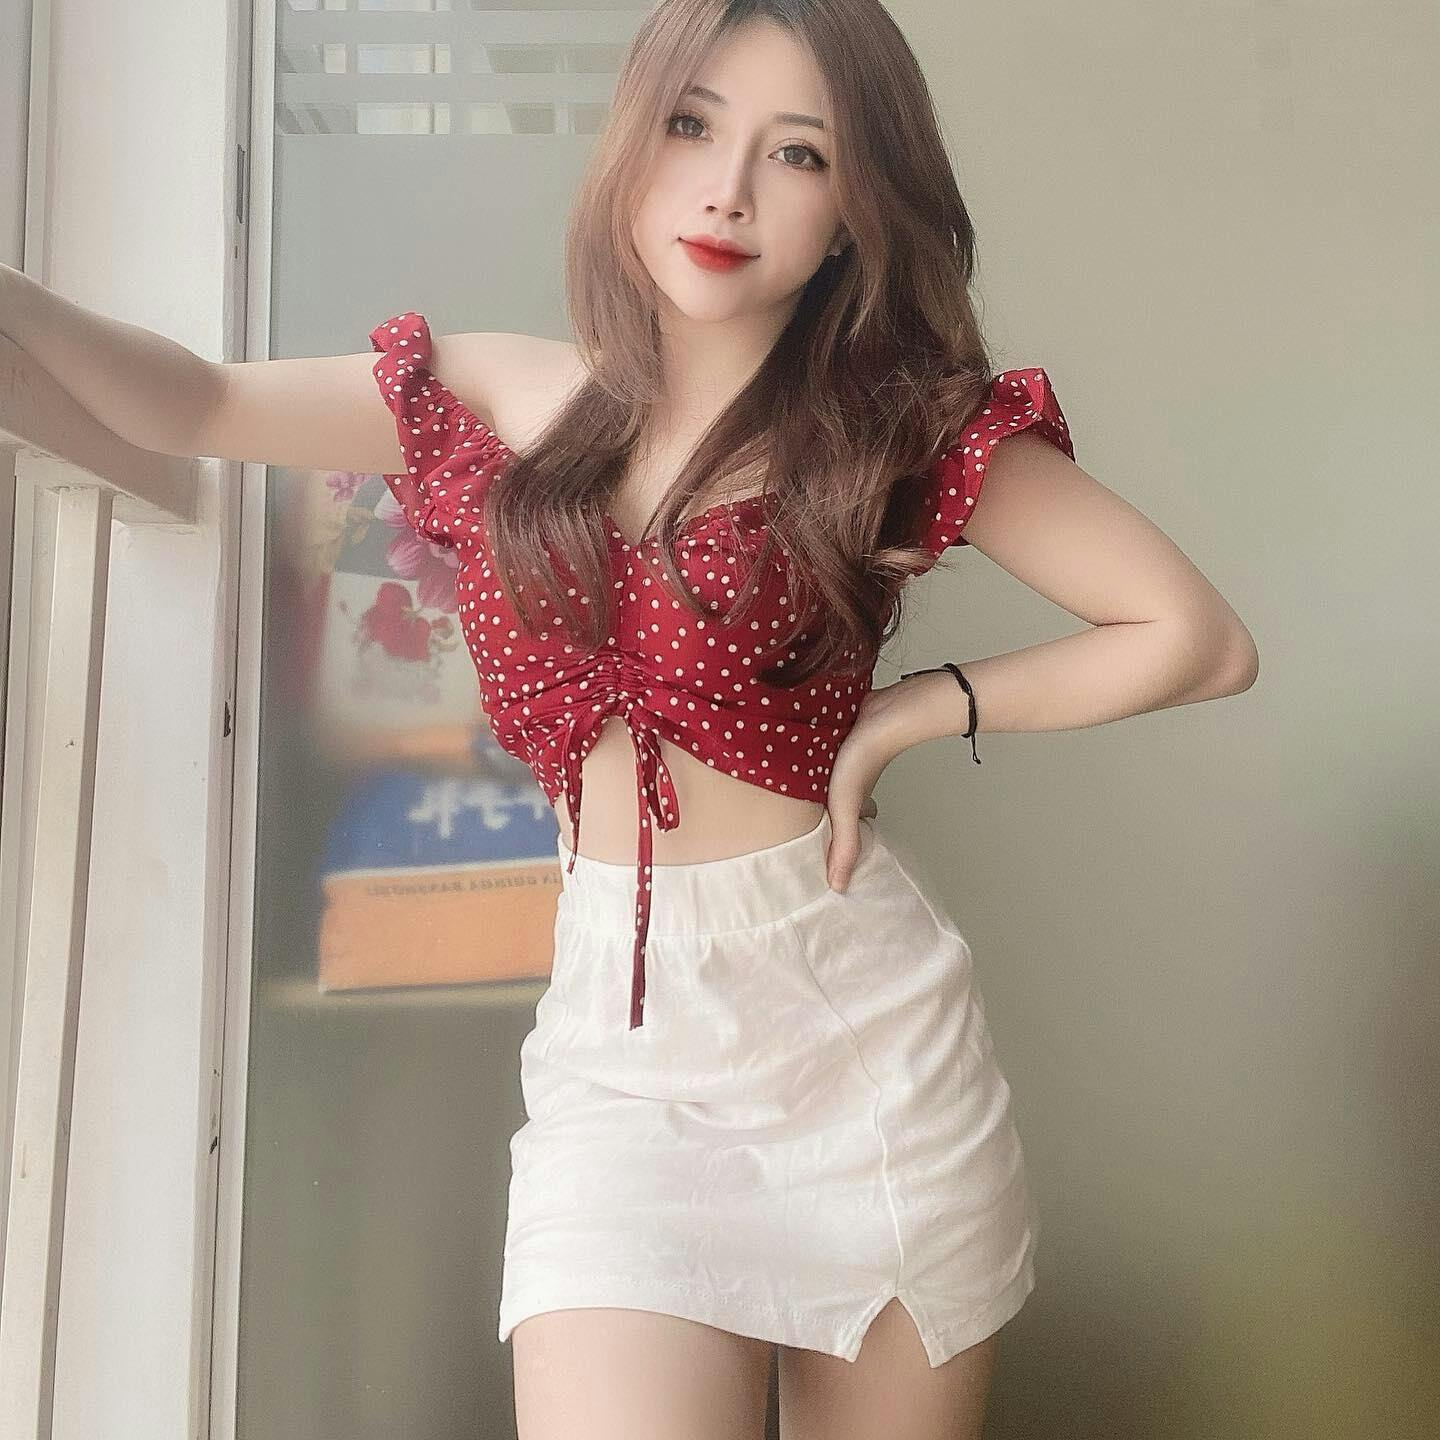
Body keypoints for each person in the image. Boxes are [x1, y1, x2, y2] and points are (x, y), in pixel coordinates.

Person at [0, 2, 1258, 1434]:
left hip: (864, 1057)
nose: (729, 190)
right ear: (632, 141)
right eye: (693, 126)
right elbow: (187, 403)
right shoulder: (495, 397)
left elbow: (1198, 639)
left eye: (798, 153)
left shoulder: (892, 433)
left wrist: (918, 707)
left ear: (855, 213)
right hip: (622, 1059)